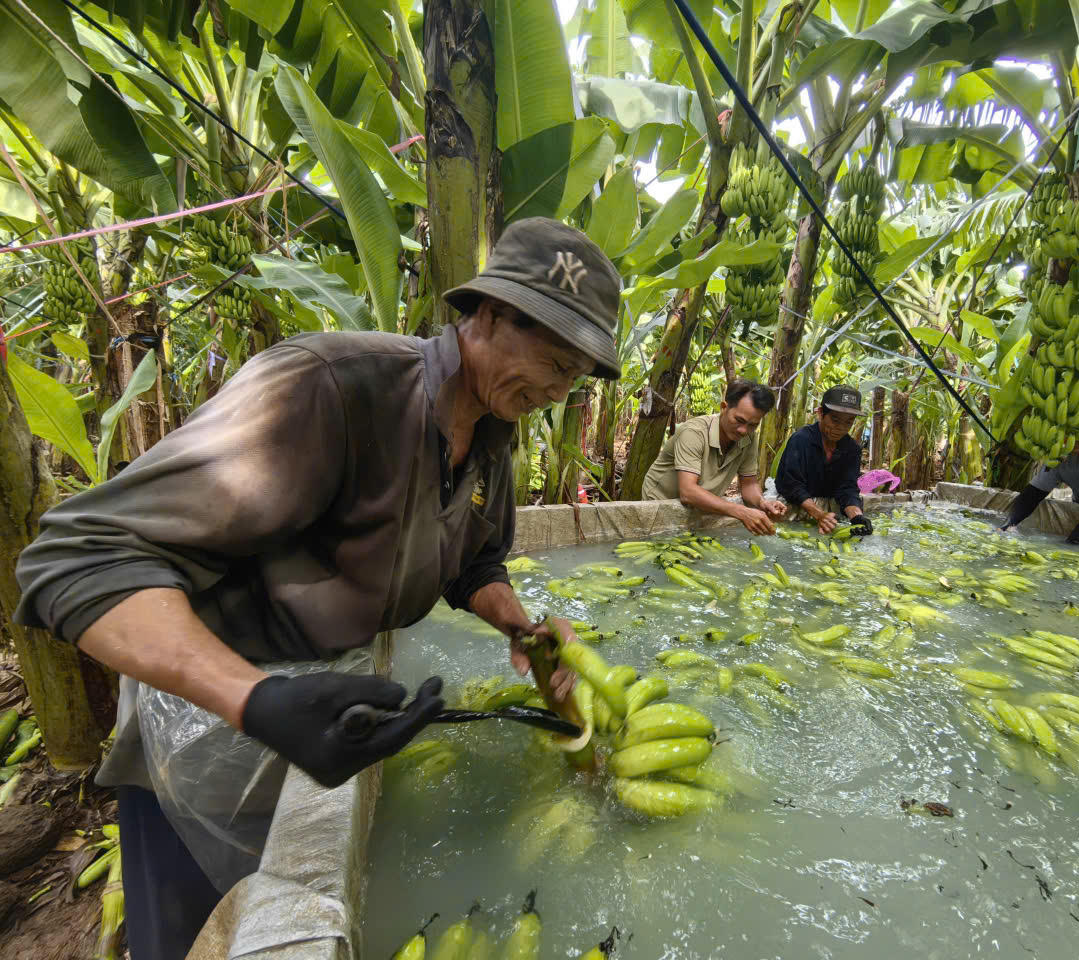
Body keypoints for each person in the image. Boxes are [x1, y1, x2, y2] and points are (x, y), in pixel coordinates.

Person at [13, 217, 621, 960]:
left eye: (573, 377)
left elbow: (474, 565)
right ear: (491, 314)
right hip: (203, 729)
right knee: (189, 938)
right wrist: (257, 701)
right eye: (554, 362)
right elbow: (78, 556)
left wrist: (520, 629)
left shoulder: (493, 435)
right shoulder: (332, 387)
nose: (558, 391)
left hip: (326, 712)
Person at [641, 379, 788, 535]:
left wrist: (762, 502)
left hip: (701, 505)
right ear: (724, 407)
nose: (743, 430)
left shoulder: (748, 438)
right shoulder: (694, 433)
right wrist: (741, 511)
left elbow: (749, 484)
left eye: (753, 425)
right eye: (739, 420)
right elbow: (688, 492)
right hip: (661, 504)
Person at [775, 385, 873, 536]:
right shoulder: (801, 440)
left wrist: (857, 516)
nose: (841, 428)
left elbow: (847, 489)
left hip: (828, 512)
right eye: (835, 420)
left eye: (848, 422)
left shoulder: (852, 449)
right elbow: (791, 485)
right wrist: (818, 514)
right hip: (795, 504)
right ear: (820, 413)